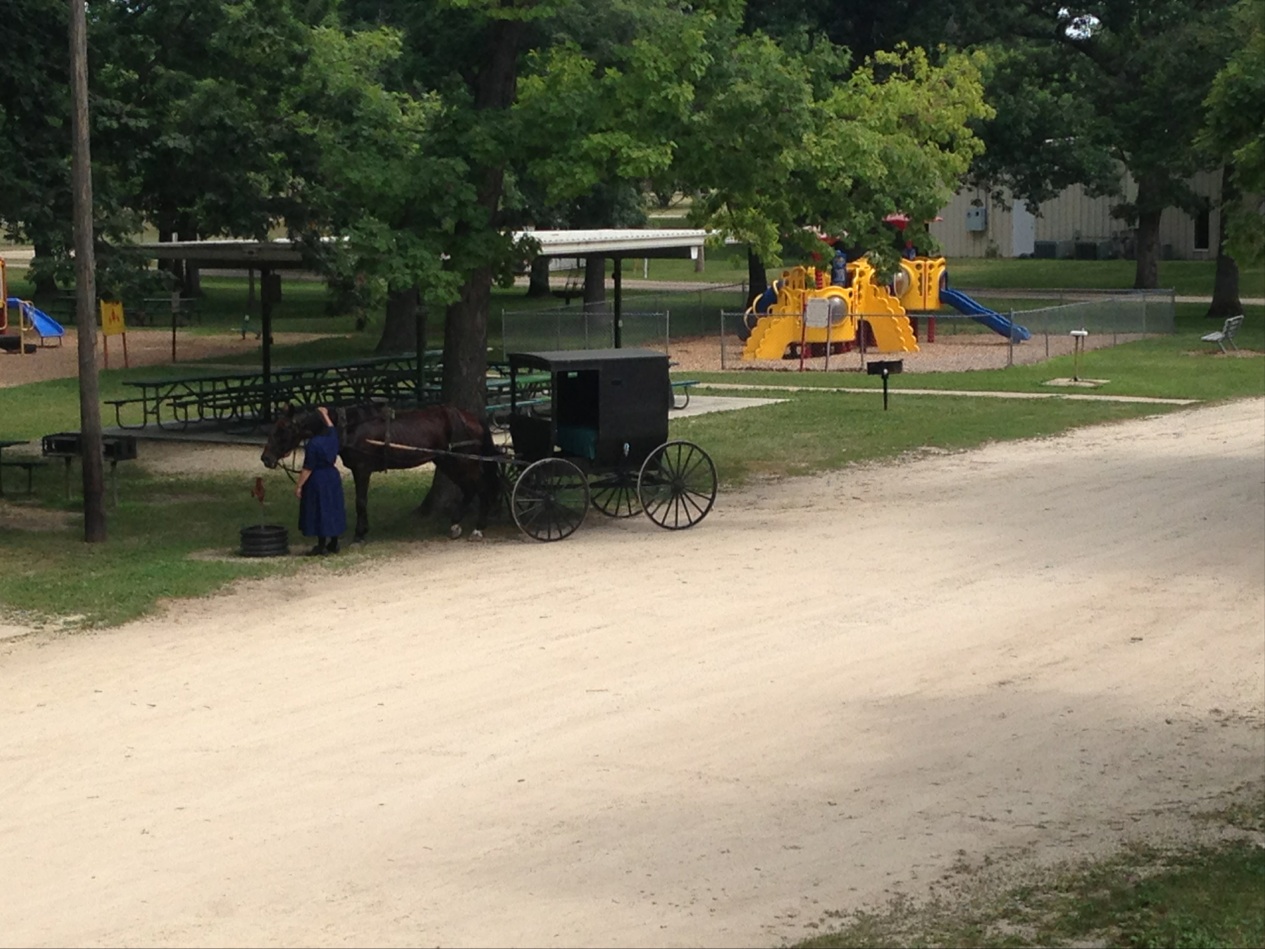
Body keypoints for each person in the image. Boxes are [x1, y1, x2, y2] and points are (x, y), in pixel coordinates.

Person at [294, 405, 346, 555]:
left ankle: (321, 545)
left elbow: (308, 468)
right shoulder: (332, 438)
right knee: (333, 508)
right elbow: (331, 427)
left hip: (318, 478)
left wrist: (299, 486)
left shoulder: (313, 444)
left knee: (319, 509)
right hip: (332, 476)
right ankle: (334, 542)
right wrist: (325, 415)